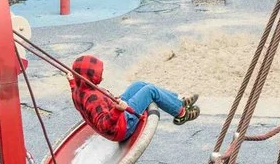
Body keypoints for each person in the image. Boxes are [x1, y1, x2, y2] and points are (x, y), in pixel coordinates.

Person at [70, 54, 198, 143]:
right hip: (122, 127)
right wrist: (117, 110)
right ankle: (181, 113)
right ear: (89, 79)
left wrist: (71, 81)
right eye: (99, 76)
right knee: (150, 90)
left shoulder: (78, 89)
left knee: (139, 85)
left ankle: (178, 102)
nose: (102, 78)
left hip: (113, 106)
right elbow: (103, 125)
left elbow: (75, 87)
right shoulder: (93, 98)